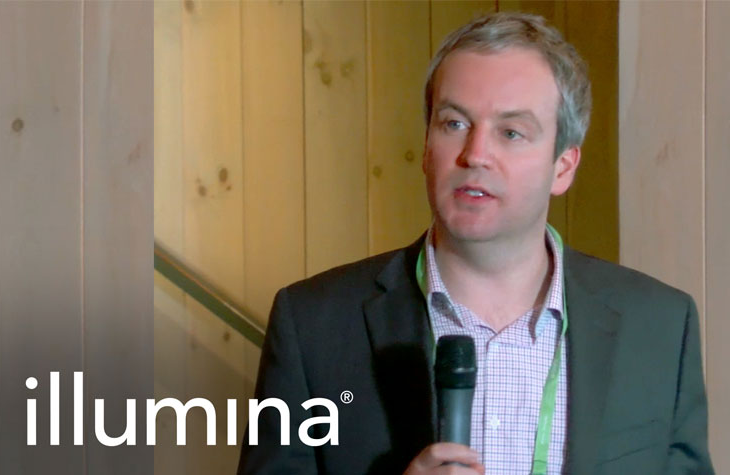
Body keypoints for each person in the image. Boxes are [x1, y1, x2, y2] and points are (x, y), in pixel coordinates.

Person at [238, 12, 713, 475]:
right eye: (455, 124)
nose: (476, 154)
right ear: (427, 146)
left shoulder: (660, 327)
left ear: (563, 167)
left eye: (511, 132)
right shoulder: (312, 325)